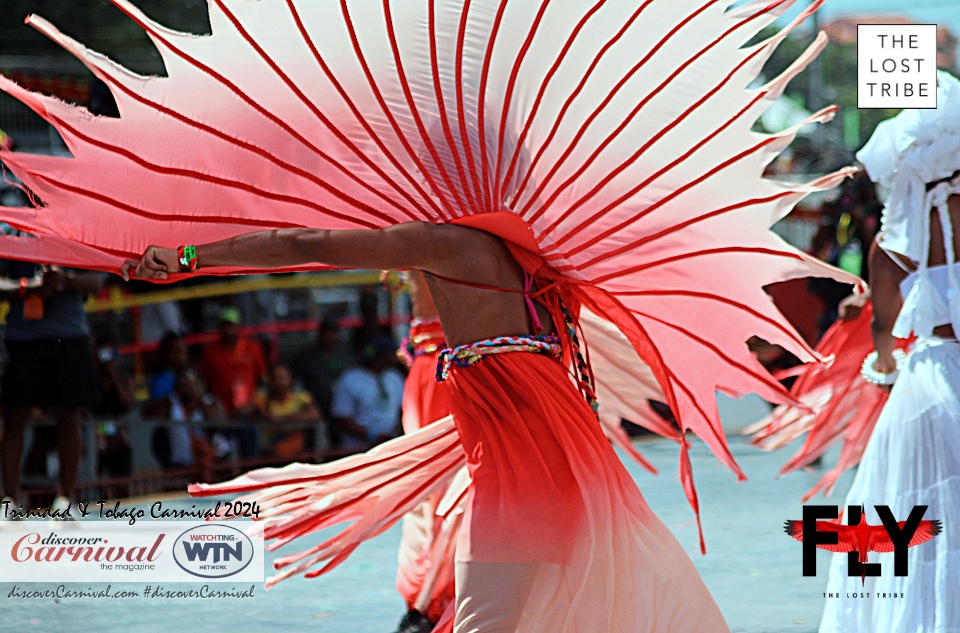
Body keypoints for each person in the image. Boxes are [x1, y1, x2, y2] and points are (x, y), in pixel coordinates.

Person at [121, 221, 729, 631]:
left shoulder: (443, 243)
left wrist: (188, 258)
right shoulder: (538, 259)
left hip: (520, 470)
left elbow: (297, 245)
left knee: (492, 617)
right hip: (555, 455)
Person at [817, 70, 960, 632]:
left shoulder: (892, 245)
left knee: (910, 519)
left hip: (928, 385)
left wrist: (881, 367)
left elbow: (883, 335)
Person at [0, 262, 103, 517]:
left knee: (69, 416)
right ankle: (9, 501)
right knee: (14, 418)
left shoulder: (72, 231)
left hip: (68, 336)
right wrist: (28, 287)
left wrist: (65, 279)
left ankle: (65, 500)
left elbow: (97, 280)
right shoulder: (10, 231)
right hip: (22, 337)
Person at [197, 307, 265, 458]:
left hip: (247, 413)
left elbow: (262, 381)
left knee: (249, 458)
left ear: (238, 327)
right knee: (222, 457)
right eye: (224, 326)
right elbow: (204, 382)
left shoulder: (252, 348)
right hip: (223, 415)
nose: (228, 330)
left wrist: (253, 403)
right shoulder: (210, 352)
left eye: (231, 325)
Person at [330, 334, 405, 452]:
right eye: (391, 353)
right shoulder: (349, 379)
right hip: (358, 450)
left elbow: (402, 410)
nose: (395, 357)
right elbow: (342, 418)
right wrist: (373, 437)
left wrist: (395, 436)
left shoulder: (394, 377)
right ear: (384, 356)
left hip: (392, 447)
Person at [251, 363, 320, 461]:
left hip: (295, 450)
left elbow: (314, 414)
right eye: (276, 378)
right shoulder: (263, 397)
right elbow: (243, 412)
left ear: (291, 378)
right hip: (268, 450)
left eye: (283, 377)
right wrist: (262, 415)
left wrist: (282, 419)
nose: (280, 382)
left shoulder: (300, 397)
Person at [293, 317, 345, 423]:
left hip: (341, 409)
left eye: (333, 332)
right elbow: (297, 385)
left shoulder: (345, 356)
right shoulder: (306, 358)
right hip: (316, 408)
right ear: (320, 334)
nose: (330, 336)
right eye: (327, 333)